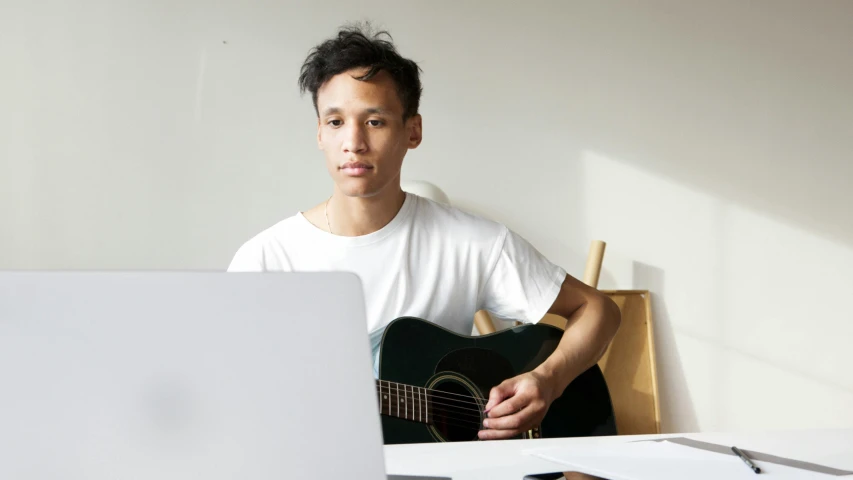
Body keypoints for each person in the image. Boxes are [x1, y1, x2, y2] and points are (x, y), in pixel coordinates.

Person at [227, 23, 621, 441]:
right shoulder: (267, 260)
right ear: (320, 134)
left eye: (374, 121)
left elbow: (599, 310)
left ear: (412, 131)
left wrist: (549, 379)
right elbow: (231, 392)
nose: (354, 142)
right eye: (336, 121)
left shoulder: (472, 242)